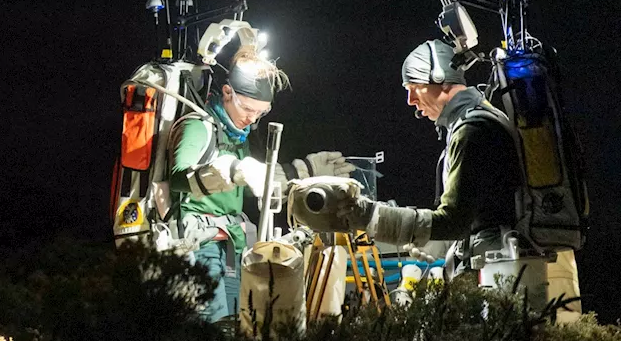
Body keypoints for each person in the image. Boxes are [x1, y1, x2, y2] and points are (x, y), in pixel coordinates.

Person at [167, 45, 354, 322]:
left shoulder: (236, 136)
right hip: (201, 249)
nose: (252, 118)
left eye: (261, 113)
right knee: (213, 330)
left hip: (233, 246)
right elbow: (178, 177)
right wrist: (231, 169)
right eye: (248, 108)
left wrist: (305, 169)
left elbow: (256, 176)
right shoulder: (199, 126)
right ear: (228, 93)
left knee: (239, 327)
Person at [340, 39, 523, 276]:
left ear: (438, 76)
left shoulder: (471, 131)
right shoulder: (481, 118)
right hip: (502, 258)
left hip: (499, 267)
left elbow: (454, 222)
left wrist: (371, 216)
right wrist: (435, 243)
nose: (410, 101)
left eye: (413, 88)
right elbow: (478, 215)